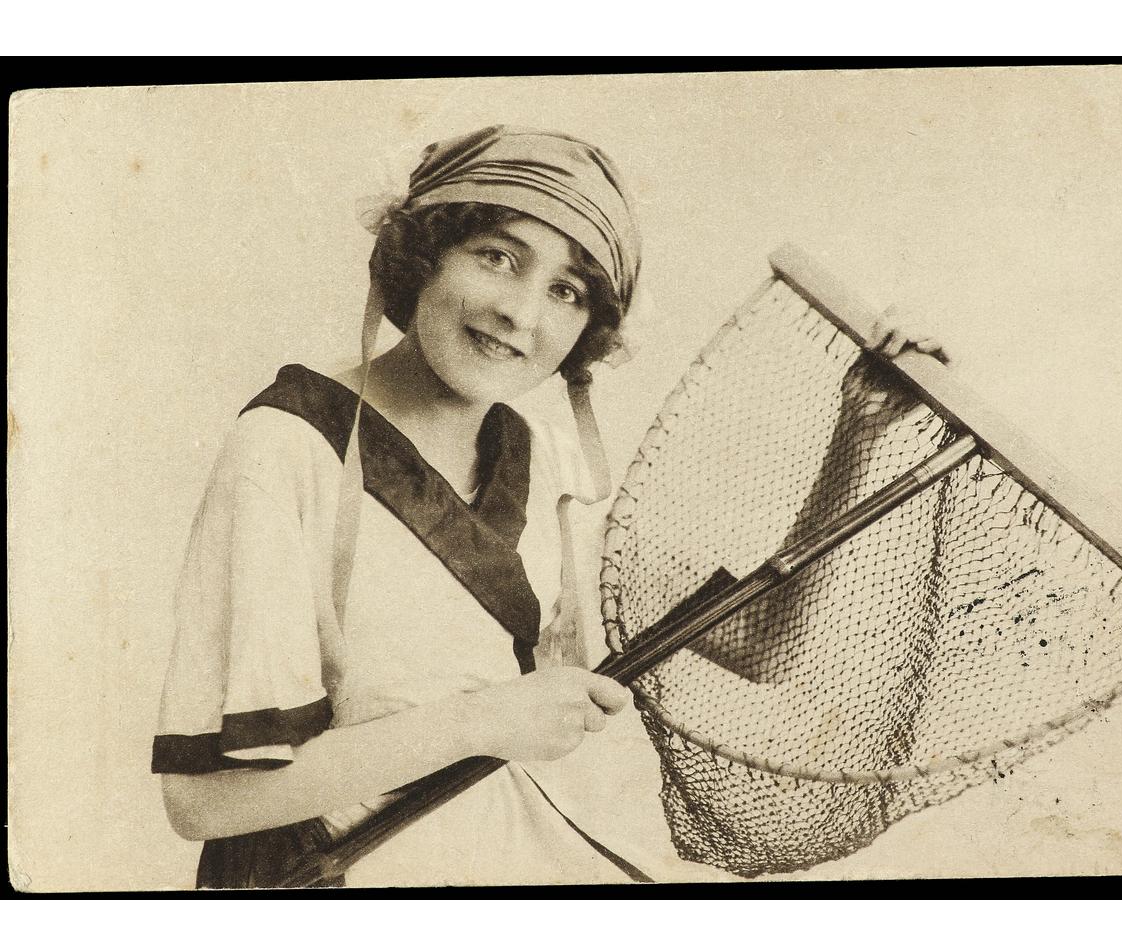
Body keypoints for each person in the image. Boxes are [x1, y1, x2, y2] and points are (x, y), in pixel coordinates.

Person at [153, 125, 948, 888]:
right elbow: (204, 802)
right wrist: (482, 721)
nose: (522, 313)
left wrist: (857, 439)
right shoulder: (288, 447)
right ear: (423, 253)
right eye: (497, 257)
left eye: (566, 291)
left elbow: (756, 643)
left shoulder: (544, 457)